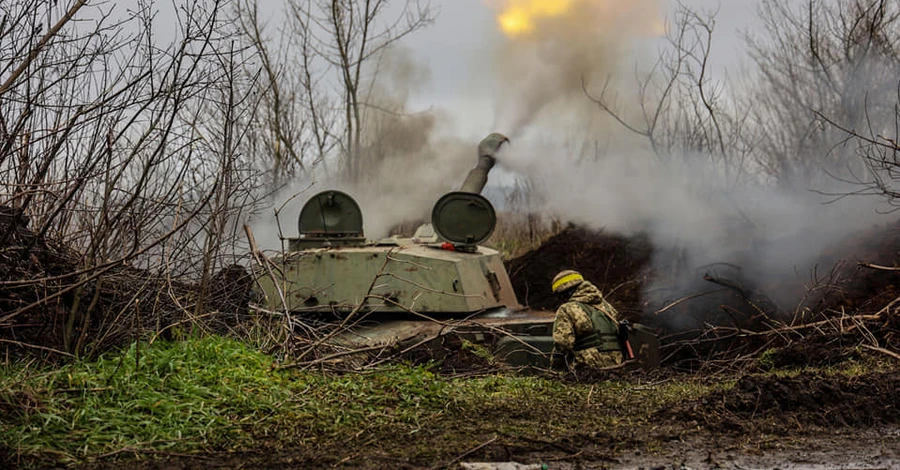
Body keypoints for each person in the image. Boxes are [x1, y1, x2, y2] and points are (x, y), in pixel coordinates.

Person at [550, 270, 623, 371]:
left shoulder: (567, 309)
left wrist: (554, 369)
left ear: (566, 292)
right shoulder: (608, 307)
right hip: (617, 367)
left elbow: (562, 344)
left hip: (588, 369)